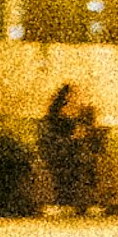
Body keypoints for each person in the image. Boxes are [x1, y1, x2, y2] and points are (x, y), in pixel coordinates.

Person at [38, 83, 95, 214]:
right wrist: (72, 139)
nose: (77, 100)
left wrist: (79, 137)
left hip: (73, 151)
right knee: (69, 162)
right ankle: (64, 202)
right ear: (65, 99)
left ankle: (80, 202)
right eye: (74, 96)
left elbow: (83, 137)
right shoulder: (53, 119)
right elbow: (49, 140)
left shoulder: (77, 118)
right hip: (58, 151)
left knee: (83, 160)